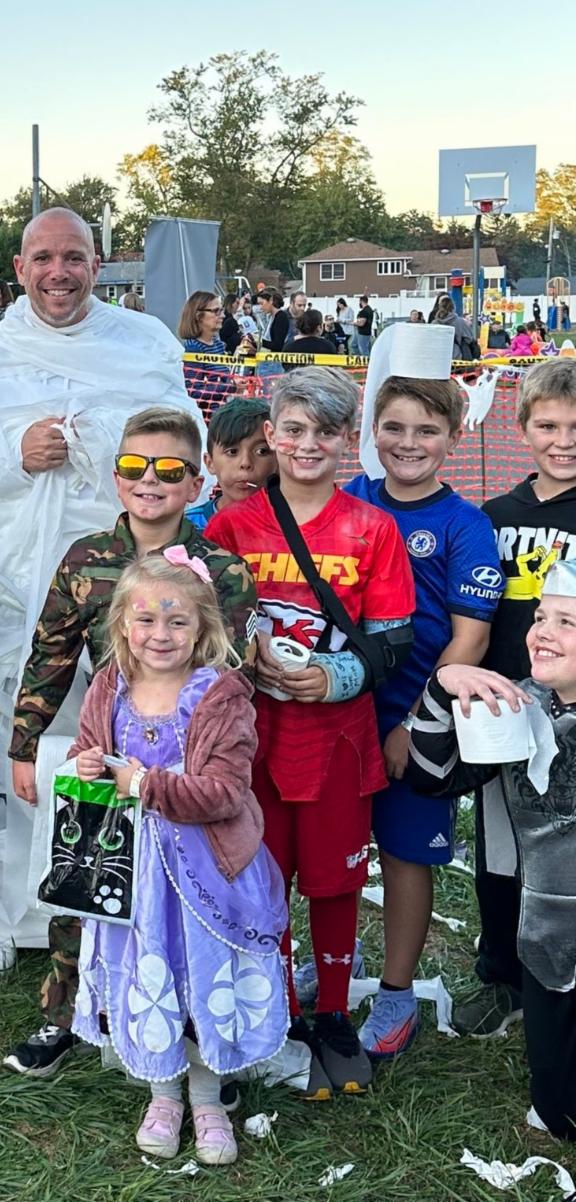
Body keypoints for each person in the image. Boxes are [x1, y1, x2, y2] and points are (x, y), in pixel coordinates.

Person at [0, 207, 207, 976]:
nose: (59, 272)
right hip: (12, 597)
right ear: (18, 267)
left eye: (74, 257)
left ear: (97, 265)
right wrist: (16, 456)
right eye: (44, 258)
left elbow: (180, 447)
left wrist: (103, 450)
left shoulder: (143, 350)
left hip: (119, 589)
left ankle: (96, 899)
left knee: (107, 739)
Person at [5, 406, 257, 1076]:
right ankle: (65, 1015)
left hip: (186, 766)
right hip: (107, 748)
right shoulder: (87, 558)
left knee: (183, 899)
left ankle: (192, 1029)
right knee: (84, 881)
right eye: (135, 467)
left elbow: (228, 673)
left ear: (198, 481)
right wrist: (24, 744)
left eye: (170, 470)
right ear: (117, 478)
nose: (151, 481)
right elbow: (49, 655)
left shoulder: (222, 573)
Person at [206, 367, 415, 1099]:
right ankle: (275, 1010)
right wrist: (245, 656)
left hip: (338, 739)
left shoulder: (373, 528)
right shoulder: (231, 526)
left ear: (347, 439)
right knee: (262, 881)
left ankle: (331, 1013)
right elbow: (202, 627)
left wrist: (335, 678)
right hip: (251, 742)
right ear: (270, 433)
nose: (306, 444)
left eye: (324, 431)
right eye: (292, 429)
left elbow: (394, 640)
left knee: (334, 882)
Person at [68, 554, 286, 1165]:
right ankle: (162, 1094)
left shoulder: (218, 696)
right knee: (148, 968)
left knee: (200, 970)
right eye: (146, 620)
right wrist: (88, 762)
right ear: (122, 626)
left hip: (205, 870)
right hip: (130, 873)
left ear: (204, 630)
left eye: (177, 623)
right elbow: (93, 748)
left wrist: (147, 786)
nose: (159, 635)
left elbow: (224, 792)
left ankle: (209, 1095)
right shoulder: (109, 684)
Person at [343, 344, 501, 1058]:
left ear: (453, 439)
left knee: (405, 856)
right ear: (374, 430)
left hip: (416, 723)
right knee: (332, 852)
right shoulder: (350, 501)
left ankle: (398, 992)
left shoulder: (467, 527)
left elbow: (468, 637)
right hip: (337, 715)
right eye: (396, 427)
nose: (409, 444)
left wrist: (414, 722)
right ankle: (329, 966)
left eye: (427, 431)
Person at [404, 565, 576, 1140]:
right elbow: (433, 777)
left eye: (567, 621)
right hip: (551, 940)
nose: (542, 633)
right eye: (539, 618)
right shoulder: (522, 707)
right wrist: (441, 687)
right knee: (560, 1111)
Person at [455, 358, 576, 1038]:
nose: (563, 441)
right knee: (502, 854)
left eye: (575, 427)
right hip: (507, 716)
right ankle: (502, 973)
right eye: (548, 425)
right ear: (522, 429)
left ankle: (560, 980)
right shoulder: (494, 516)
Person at [186, 397, 275, 530]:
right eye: (232, 452)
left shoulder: (297, 523)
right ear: (210, 463)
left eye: (261, 451)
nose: (245, 463)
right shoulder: (187, 527)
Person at [179, 290, 234, 402]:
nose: (223, 316)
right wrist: (231, 387)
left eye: (222, 310)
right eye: (216, 311)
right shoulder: (193, 348)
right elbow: (193, 392)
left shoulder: (218, 345)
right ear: (199, 316)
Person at [431, 296, 479, 360]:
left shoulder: (434, 323)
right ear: (453, 307)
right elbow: (469, 339)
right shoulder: (460, 321)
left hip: (437, 356)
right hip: (455, 356)